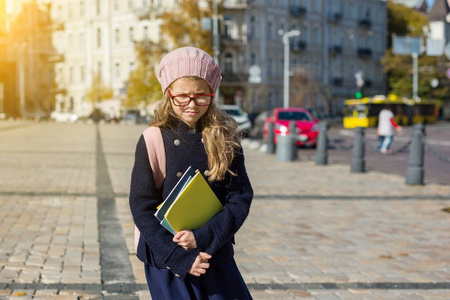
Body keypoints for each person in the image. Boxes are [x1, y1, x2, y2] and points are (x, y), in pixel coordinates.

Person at [129, 46, 253, 299]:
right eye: (182, 96)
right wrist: (179, 257)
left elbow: (240, 198)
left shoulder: (225, 139)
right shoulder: (153, 139)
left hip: (214, 252)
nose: (192, 104)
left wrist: (202, 237)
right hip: (166, 258)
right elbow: (141, 205)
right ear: (168, 94)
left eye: (201, 96)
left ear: (212, 94)